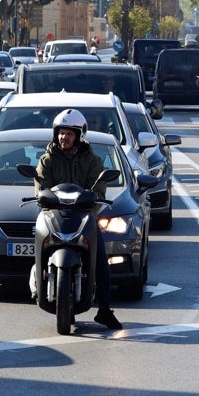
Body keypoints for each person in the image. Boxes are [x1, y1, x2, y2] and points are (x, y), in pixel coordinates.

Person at [34, 108, 121, 330]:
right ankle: (37, 281)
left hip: (84, 216)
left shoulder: (92, 161)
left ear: (79, 135)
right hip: (54, 215)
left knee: (101, 257)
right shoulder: (47, 160)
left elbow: (100, 190)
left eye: (69, 133)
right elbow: (41, 187)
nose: (64, 137)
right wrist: (43, 197)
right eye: (61, 133)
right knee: (37, 246)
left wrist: (91, 200)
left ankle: (104, 309)